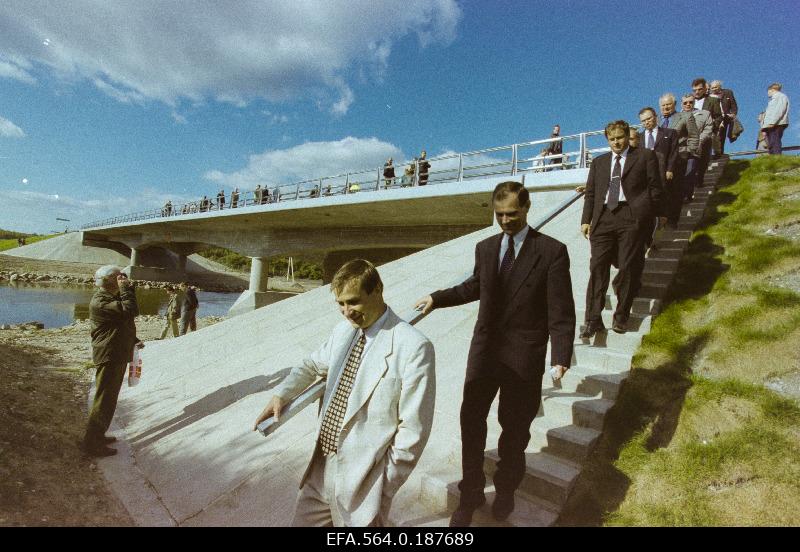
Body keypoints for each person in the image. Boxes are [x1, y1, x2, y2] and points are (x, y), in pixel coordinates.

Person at [415, 181, 575, 526]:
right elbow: (476, 286)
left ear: (527, 208)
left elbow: (560, 309)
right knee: (471, 423)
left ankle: (504, 491)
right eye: (499, 214)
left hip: (524, 357)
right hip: (485, 353)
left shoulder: (551, 251)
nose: (505, 221)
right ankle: (470, 491)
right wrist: (437, 298)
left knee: (514, 432)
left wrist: (560, 356)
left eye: (512, 214)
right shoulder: (486, 248)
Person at [254, 259, 435, 527]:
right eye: (340, 304)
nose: (347, 312)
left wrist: (384, 486)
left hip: (365, 485)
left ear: (377, 291)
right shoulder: (342, 332)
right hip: (319, 472)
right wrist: (282, 394)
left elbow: (414, 431)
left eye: (353, 302)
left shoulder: (414, 347)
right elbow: (311, 364)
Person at [580, 120, 663, 338]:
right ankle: (592, 320)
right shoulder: (599, 162)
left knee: (627, 267)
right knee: (597, 268)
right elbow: (591, 193)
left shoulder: (645, 156)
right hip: (603, 218)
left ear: (627, 136)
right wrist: (586, 220)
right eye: (612, 139)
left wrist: (644, 216)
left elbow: (656, 189)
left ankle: (621, 316)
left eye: (620, 138)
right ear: (607, 140)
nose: (616, 142)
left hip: (630, 217)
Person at [82, 265, 144, 457]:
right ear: (109, 281)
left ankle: (98, 435)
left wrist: (133, 340)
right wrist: (125, 288)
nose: (121, 279)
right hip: (109, 355)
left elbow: (121, 323)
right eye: (118, 277)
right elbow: (131, 310)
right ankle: (92, 444)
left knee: (109, 399)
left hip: (115, 352)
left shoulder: (110, 297)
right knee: (104, 399)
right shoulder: (100, 301)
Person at [638, 106, 677, 238]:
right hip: (646, 175)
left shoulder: (669, 133)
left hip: (663, 172)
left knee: (665, 196)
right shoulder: (639, 138)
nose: (646, 122)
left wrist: (670, 169)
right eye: (643, 121)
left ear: (655, 117)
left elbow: (673, 153)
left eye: (648, 118)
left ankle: (668, 222)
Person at [682, 94, 713, 200]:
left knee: (693, 170)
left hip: (698, 147)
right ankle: (685, 195)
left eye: (690, 102)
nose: (688, 104)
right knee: (685, 172)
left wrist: (699, 140)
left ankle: (690, 191)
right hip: (682, 148)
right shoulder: (678, 116)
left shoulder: (704, 114)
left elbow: (708, 129)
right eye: (685, 102)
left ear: (694, 102)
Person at [709, 80, 738, 155]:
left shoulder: (728, 92)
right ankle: (713, 153)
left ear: (720, 87)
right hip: (714, 118)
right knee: (713, 136)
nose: (714, 89)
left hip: (725, 118)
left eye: (715, 87)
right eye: (712, 88)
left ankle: (720, 153)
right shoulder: (709, 96)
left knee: (722, 135)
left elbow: (733, 104)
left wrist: (733, 114)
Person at [762, 82, 790, 155]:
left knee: (775, 142)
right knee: (771, 143)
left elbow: (779, 110)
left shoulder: (780, 96)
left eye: (768, 91)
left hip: (776, 124)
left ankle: (777, 159)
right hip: (772, 124)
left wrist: (772, 122)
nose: (768, 93)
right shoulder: (775, 98)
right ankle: (773, 160)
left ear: (772, 90)